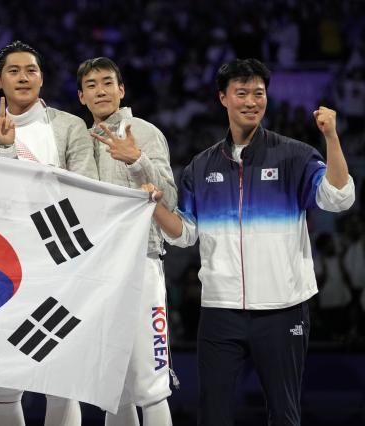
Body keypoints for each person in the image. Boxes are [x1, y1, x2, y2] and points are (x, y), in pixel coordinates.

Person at [145, 58, 355, 426]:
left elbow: (339, 198)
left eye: (258, 93)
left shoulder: (295, 155)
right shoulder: (201, 166)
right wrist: (153, 205)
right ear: (223, 98)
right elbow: (185, 233)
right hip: (220, 311)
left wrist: (332, 137)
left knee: (285, 416)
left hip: (283, 308)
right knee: (213, 416)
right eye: (241, 93)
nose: (251, 101)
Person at [0, 40, 97, 426]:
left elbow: (86, 189)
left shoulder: (69, 126)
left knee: (60, 377)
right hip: (4, 264)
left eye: (31, 70)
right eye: (14, 71)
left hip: (58, 263)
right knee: (4, 382)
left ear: (42, 78)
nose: (24, 78)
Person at [77, 57, 176, 426]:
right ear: (81, 96)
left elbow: (170, 197)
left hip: (141, 263)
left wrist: (137, 161)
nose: (100, 90)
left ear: (121, 89)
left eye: (107, 82)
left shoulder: (145, 132)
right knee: (112, 385)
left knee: (151, 384)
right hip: (100, 270)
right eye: (91, 85)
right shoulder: (80, 139)